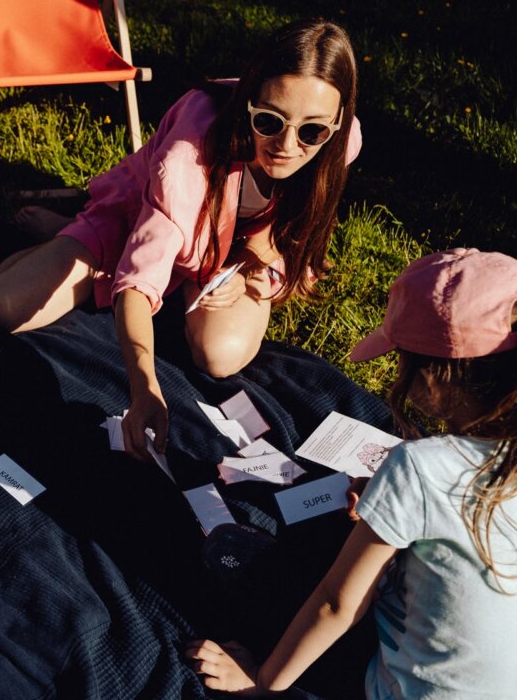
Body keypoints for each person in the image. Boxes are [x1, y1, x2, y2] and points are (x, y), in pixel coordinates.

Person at [0, 18, 362, 462]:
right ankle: (78, 235)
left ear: (336, 122)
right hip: (135, 218)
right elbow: (140, 284)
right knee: (2, 306)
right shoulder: (189, 152)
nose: (288, 145)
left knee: (221, 356)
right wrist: (145, 388)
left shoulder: (341, 143)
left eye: (312, 130)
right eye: (270, 121)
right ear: (247, 103)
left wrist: (250, 267)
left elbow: (289, 227)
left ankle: (84, 242)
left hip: (226, 252)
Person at [187, 248, 517, 698]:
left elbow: (335, 606)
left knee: (235, 556)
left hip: (398, 688)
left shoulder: (419, 468)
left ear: (433, 376)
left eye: (400, 358)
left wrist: (263, 683)